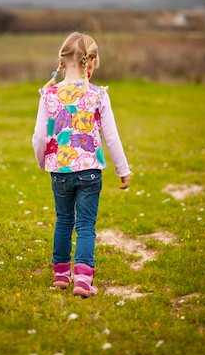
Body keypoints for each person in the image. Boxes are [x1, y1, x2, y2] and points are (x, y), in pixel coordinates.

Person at [32, 31, 131, 297]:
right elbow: (111, 136)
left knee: (63, 221)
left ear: (62, 61)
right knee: (86, 224)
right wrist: (123, 170)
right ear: (92, 62)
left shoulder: (50, 95)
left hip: (60, 171)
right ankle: (84, 281)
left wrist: (43, 161)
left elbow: (41, 136)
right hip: (90, 171)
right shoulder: (98, 95)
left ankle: (61, 275)